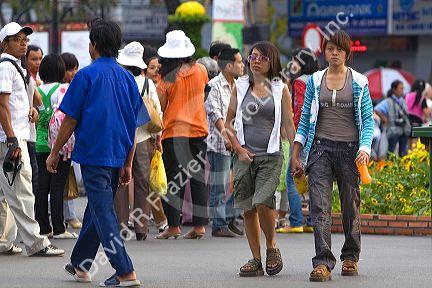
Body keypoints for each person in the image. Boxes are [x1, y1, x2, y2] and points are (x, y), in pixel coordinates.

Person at [46, 18, 148, 286]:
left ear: (93, 45)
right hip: (118, 153)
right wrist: (127, 163)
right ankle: (81, 263)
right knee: (97, 208)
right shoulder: (128, 78)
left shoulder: (86, 76)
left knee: (103, 212)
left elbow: (69, 120)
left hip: (94, 154)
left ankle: (125, 270)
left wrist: (54, 152)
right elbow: (133, 126)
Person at [291, 30, 374, 282]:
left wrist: (364, 148)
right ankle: (323, 262)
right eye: (330, 49)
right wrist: (296, 153)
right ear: (324, 52)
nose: (334, 53)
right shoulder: (315, 81)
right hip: (320, 151)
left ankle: (350, 256)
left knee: (350, 206)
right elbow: (304, 120)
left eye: (339, 49)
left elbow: (368, 121)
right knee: (319, 206)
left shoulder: (360, 82)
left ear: (347, 53)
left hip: (351, 152)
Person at [225, 41, 295, 277]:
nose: (255, 60)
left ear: (271, 61)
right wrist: (238, 148)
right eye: (252, 57)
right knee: (247, 208)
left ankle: (271, 246)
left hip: (272, 154)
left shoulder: (280, 89)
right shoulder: (240, 85)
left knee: (264, 201)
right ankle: (255, 259)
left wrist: (296, 155)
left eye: (261, 58)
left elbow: (288, 124)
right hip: (244, 155)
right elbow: (228, 122)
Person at [0, 22, 64, 257]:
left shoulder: (18, 67)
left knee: (6, 193)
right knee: (23, 190)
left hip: (15, 136)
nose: (23, 43)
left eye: (25, 39)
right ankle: (36, 243)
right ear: (4, 44)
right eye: (17, 39)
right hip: (12, 139)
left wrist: (33, 111)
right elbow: (2, 105)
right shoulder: (6, 67)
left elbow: (29, 102)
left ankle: (4, 241)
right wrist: (11, 140)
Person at [155, 30, 209, 240]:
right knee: (197, 178)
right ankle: (200, 226)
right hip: (198, 131)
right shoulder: (201, 70)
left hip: (174, 134)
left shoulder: (167, 78)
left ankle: (174, 226)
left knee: (174, 180)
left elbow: (160, 105)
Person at [115, 41, 165, 241]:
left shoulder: (119, 81)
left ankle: (121, 225)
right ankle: (141, 227)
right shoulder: (147, 84)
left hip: (122, 137)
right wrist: (157, 139)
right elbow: (157, 112)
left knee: (122, 182)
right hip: (143, 137)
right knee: (142, 184)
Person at [34, 54, 77, 239]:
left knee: (42, 187)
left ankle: (43, 227)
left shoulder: (36, 89)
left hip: (39, 142)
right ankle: (59, 228)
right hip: (59, 145)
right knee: (58, 186)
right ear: (60, 70)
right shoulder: (63, 89)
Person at [277, 47, 318, 234]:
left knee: (291, 177)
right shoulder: (319, 79)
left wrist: (293, 134)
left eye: (294, 61)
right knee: (313, 177)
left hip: (303, 135)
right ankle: (311, 221)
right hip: (318, 134)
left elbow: (300, 109)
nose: (291, 65)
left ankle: (295, 221)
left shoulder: (300, 82)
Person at [205, 48, 245, 238]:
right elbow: (216, 115)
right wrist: (227, 137)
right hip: (219, 144)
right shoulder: (214, 85)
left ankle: (229, 218)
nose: (242, 65)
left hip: (235, 142)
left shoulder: (238, 86)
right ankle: (219, 225)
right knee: (219, 186)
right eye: (239, 62)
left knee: (240, 183)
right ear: (229, 65)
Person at [60, 52, 82, 230]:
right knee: (66, 178)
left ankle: (68, 214)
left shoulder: (76, 86)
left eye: (75, 68)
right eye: (70, 69)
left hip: (72, 141)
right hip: (64, 141)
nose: (73, 73)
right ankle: (70, 215)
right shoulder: (63, 89)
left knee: (70, 178)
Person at [374, 80, 411, 156]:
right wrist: (384, 119)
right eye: (400, 88)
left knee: (403, 153)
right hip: (393, 130)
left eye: (403, 88)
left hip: (404, 129)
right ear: (394, 89)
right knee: (391, 152)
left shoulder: (403, 101)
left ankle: (402, 167)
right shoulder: (388, 101)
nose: (402, 90)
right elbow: (377, 109)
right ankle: (389, 167)